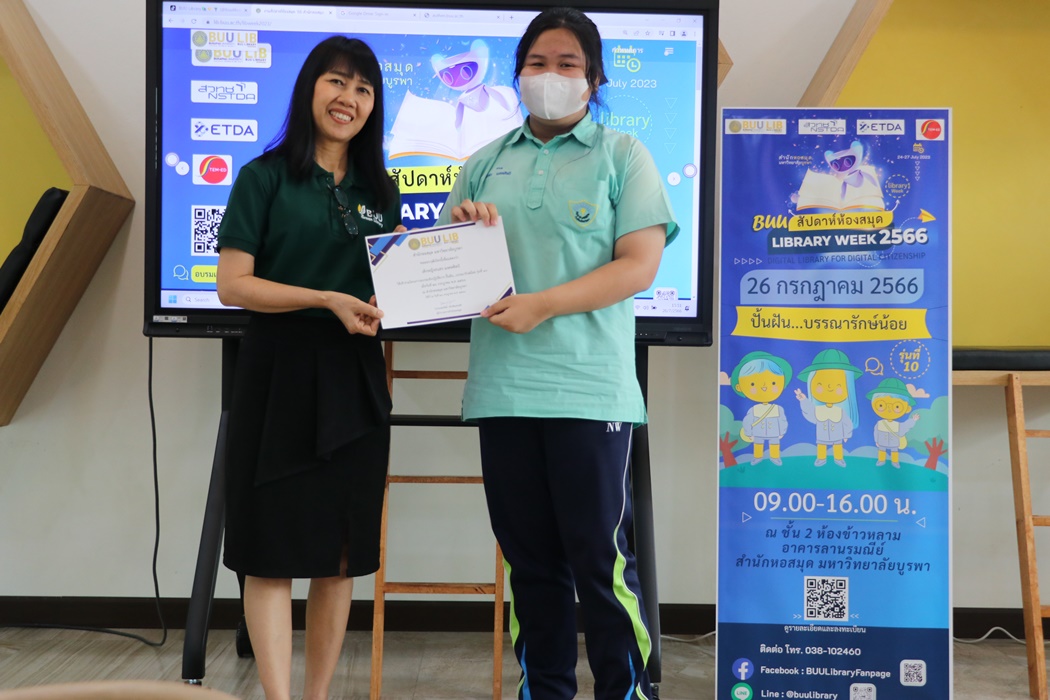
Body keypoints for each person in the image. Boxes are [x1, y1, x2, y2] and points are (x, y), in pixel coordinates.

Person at [436, 8, 678, 698]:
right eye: (537, 63)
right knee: (531, 567)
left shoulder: (623, 155)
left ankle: (627, 692)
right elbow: (445, 274)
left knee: (601, 564)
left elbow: (638, 266)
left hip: (590, 391)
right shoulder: (484, 163)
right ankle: (543, 691)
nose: (550, 75)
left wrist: (542, 304)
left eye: (568, 63)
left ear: (594, 79)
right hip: (503, 392)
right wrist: (463, 233)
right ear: (516, 75)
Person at [214, 36, 401, 700]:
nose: (349, 98)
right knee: (268, 553)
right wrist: (324, 298)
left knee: (339, 558)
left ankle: (317, 696)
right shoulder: (263, 177)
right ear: (310, 89)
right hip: (277, 375)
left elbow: (389, 288)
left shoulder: (382, 190)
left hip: (354, 380)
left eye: (364, 89)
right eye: (336, 82)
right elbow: (233, 284)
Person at [794, 348, 862, 468]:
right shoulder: (818, 410)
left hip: (837, 437)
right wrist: (804, 400)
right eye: (820, 385)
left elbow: (847, 423)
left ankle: (839, 459)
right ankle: (821, 459)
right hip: (822, 436)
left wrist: (847, 435)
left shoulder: (840, 411)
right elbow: (809, 414)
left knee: (838, 447)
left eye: (838, 386)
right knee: (821, 446)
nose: (830, 388)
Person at [730, 351, 792, 465]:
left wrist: (782, 431)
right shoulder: (753, 409)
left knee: (774, 444)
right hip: (758, 432)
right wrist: (749, 433)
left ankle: (775, 457)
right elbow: (748, 421)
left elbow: (782, 420)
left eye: (773, 383)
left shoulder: (777, 408)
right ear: (739, 387)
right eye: (753, 384)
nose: (764, 387)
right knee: (758, 444)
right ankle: (757, 457)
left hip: (774, 432)